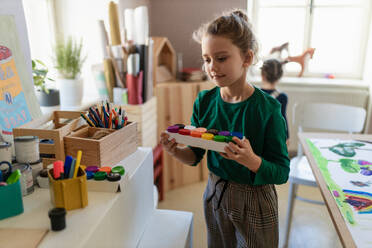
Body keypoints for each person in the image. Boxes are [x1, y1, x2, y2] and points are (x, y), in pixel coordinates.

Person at [160, 9, 289, 248]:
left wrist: (252, 160)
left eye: (221, 58)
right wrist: (175, 150)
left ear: (247, 58)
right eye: (207, 59)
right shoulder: (205, 102)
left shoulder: (267, 109)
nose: (212, 67)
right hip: (215, 195)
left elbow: (281, 172)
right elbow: (194, 156)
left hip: (256, 201)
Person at [260, 58, 289, 145]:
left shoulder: (255, 94)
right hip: (275, 137)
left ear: (262, 75)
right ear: (279, 76)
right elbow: (283, 118)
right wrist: (287, 137)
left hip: (258, 135)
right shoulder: (282, 97)